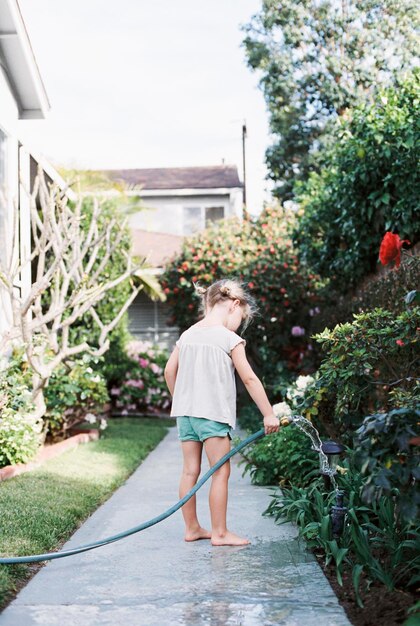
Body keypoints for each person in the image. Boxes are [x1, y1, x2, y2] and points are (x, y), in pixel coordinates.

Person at [164, 278, 280, 546]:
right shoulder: (230, 339)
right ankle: (219, 533)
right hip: (213, 415)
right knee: (220, 472)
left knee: (189, 471)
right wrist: (268, 414)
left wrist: (181, 399)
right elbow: (250, 379)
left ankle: (192, 528)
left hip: (186, 415)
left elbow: (170, 371)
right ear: (234, 305)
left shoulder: (188, 334)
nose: (239, 323)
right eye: (241, 317)